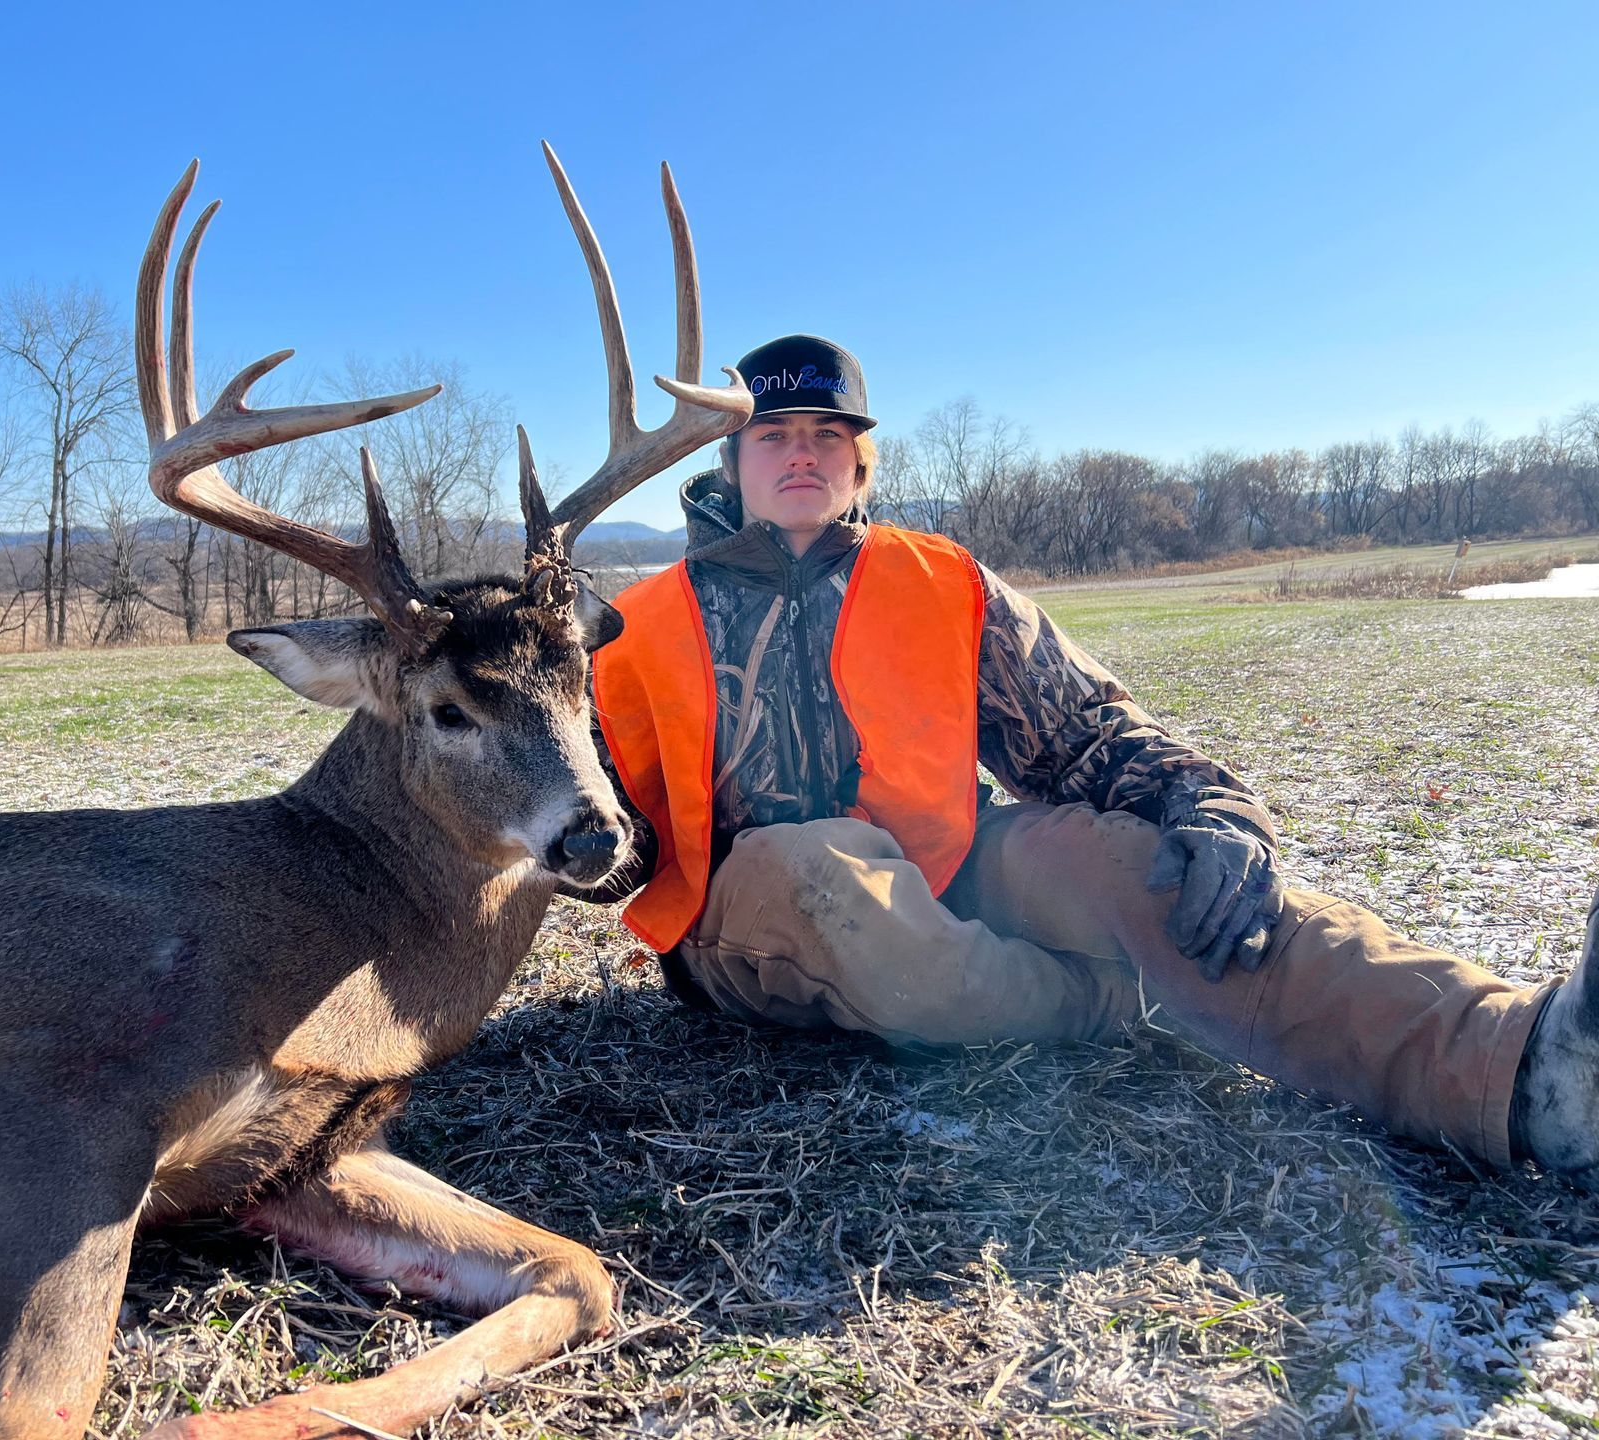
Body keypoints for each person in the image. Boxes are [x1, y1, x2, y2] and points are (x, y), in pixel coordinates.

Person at [576, 333, 1599, 1185]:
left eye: (828, 435)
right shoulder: (639, 621)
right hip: (749, 909)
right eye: (773, 434)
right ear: (730, 459)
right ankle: (1115, 994)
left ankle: (1521, 1068)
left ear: (858, 461)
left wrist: (1207, 806)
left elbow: (1079, 730)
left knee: (1146, 875)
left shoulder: (938, 580)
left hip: (950, 866)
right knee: (829, 877)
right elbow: (585, 827)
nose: (801, 455)